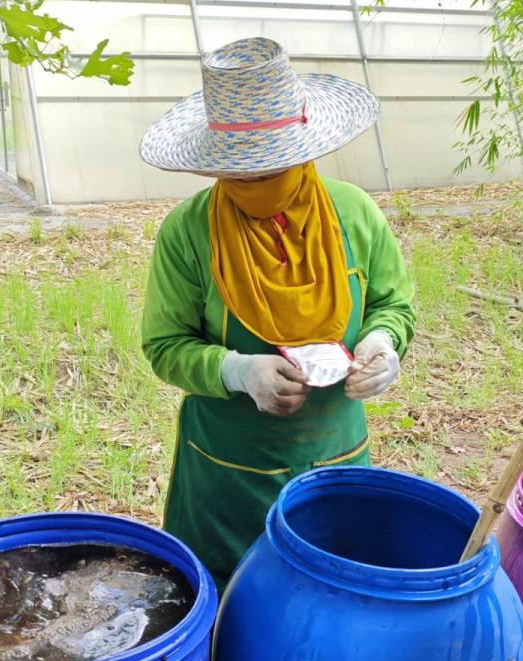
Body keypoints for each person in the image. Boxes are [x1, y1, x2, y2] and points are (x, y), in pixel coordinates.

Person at [138, 38, 416, 588]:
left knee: (328, 598)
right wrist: (239, 372)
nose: (257, 186)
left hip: (337, 457)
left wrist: (383, 342)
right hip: (226, 475)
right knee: (227, 614)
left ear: (303, 149)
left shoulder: (354, 214)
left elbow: (392, 302)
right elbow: (165, 346)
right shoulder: (189, 233)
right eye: (240, 174)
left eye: (271, 170)